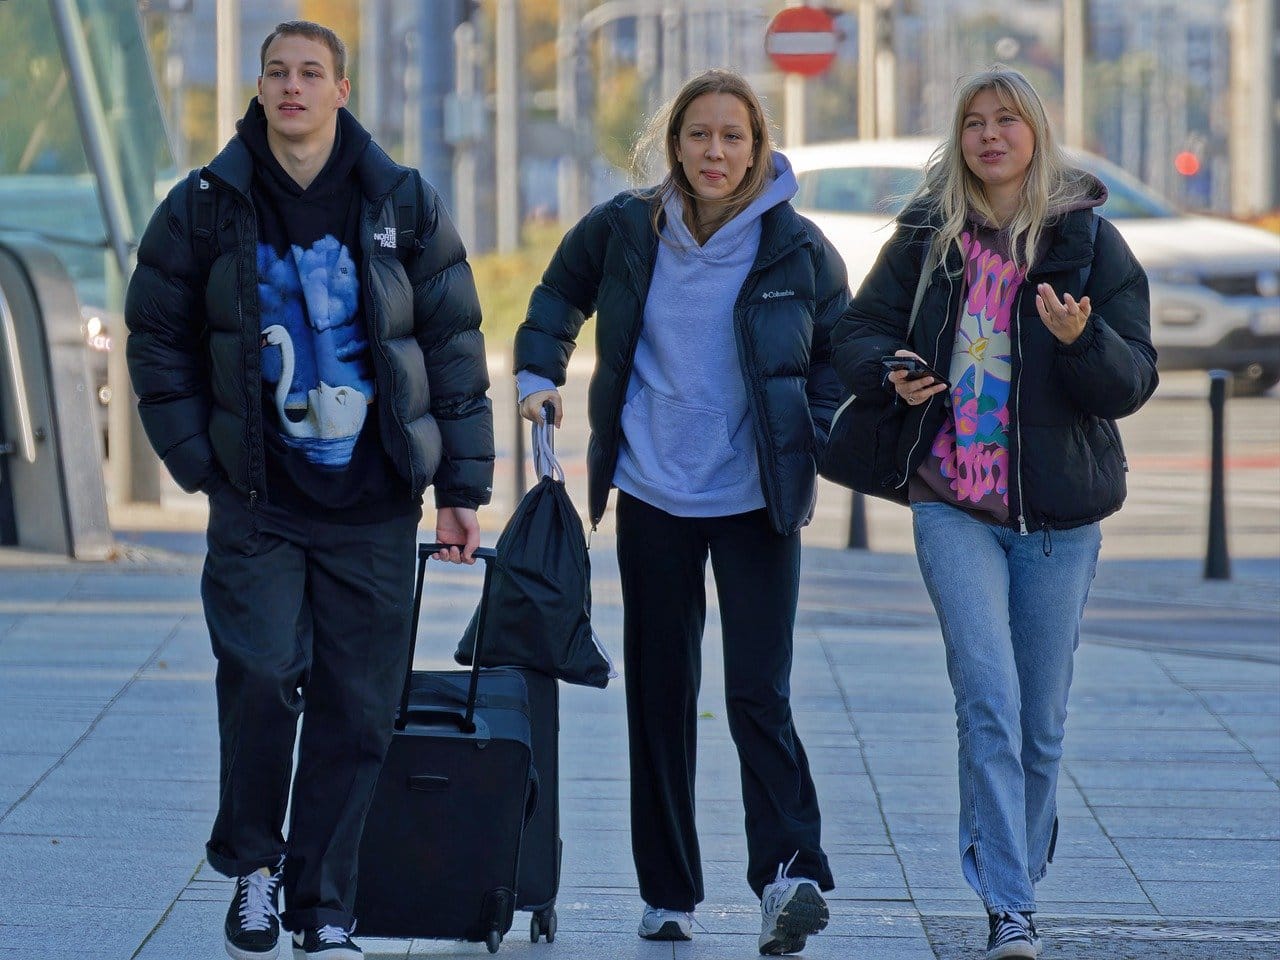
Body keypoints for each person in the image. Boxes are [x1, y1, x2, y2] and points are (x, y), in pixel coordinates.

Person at [124, 20, 493, 960]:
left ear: (341, 87)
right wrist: (194, 460)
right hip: (257, 499)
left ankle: (323, 904)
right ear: (260, 86)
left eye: (310, 73)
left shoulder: (401, 202)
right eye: (277, 72)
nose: (292, 87)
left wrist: (460, 483)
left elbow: (452, 346)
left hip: (372, 502)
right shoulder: (205, 206)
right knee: (256, 676)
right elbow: (155, 334)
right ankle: (255, 869)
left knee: (359, 707)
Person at [513, 69, 843, 956]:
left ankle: (789, 876)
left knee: (756, 693)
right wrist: (538, 377)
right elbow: (555, 296)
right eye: (700, 134)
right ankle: (667, 895)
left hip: (756, 499)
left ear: (758, 145)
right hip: (655, 491)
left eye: (733, 136)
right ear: (675, 143)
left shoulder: (797, 247)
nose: (715, 151)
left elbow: (839, 357)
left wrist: (818, 429)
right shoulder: (626, 227)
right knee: (661, 694)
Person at [831, 66, 1156, 960]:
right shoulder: (926, 237)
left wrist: (1078, 337)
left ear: (1036, 135)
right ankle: (1009, 904)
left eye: (1006, 120)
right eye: (973, 120)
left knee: (1040, 722)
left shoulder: (1090, 246)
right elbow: (857, 333)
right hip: (952, 505)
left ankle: (1011, 849)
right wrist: (887, 367)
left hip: (1061, 518)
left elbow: (1132, 380)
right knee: (988, 699)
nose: (988, 136)